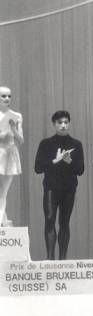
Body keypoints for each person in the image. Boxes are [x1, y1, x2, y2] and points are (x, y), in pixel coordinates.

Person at [34, 110, 84, 260]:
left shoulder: (76, 144)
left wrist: (68, 161)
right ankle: (50, 258)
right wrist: (55, 160)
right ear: (54, 124)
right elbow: (37, 168)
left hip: (69, 188)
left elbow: (80, 170)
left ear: (69, 124)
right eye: (60, 123)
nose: (63, 125)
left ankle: (63, 259)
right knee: (49, 219)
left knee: (64, 221)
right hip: (51, 187)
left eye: (66, 122)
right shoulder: (46, 143)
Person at [0, 86, 23, 226]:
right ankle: (3, 220)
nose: (7, 99)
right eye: (3, 96)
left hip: (10, 153)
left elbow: (21, 140)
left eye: (9, 96)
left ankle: (2, 221)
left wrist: (13, 128)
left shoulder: (16, 115)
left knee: (4, 190)